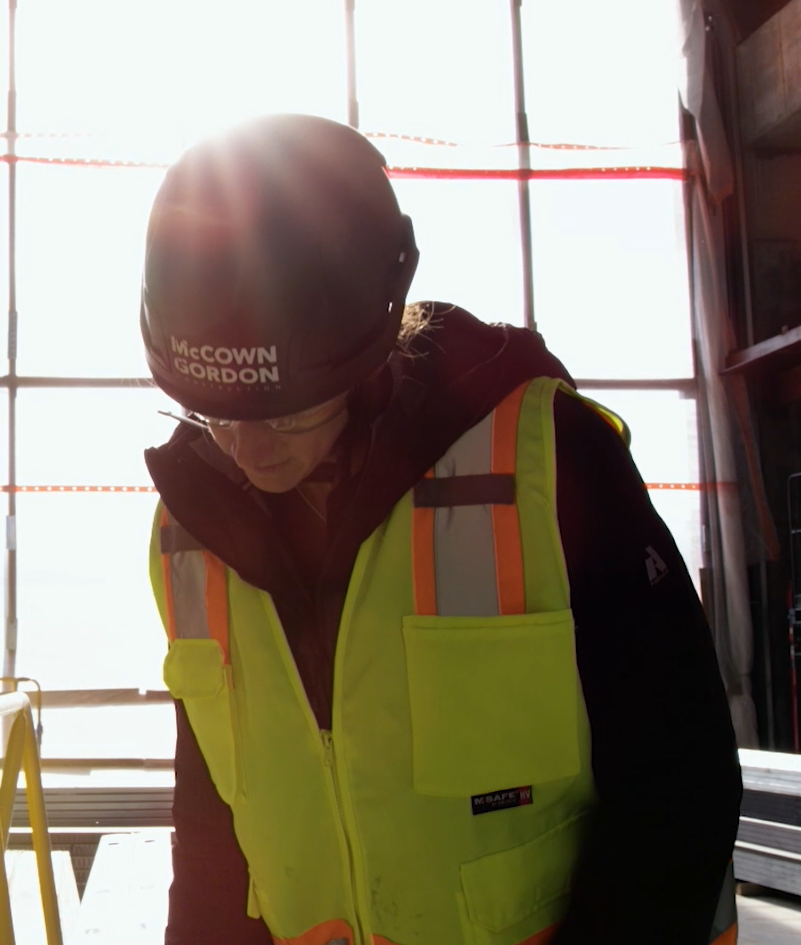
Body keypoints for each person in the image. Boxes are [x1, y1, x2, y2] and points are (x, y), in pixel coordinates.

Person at [140, 115, 741, 945]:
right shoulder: (190, 526)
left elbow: (678, 781)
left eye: (282, 414)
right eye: (210, 412)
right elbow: (211, 822)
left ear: (374, 342)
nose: (243, 448)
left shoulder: (546, 464)